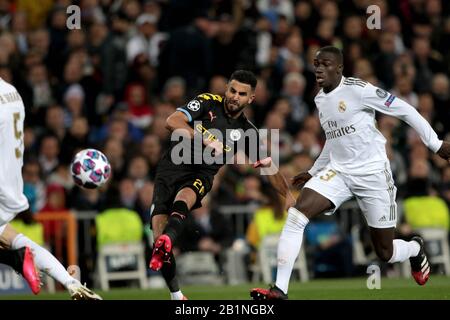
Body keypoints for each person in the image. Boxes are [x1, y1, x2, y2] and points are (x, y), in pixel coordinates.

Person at [250, 46, 450, 300]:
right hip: (340, 172)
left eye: (325, 64)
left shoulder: (359, 90)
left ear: (340, 68)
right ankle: (280, 290)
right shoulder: (320, 99)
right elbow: (334, 139)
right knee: (298, 214)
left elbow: (405, 109)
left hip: (373, 174)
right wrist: (313, 171)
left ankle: (414, 247)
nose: (318, 69)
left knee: (384, 252)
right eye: (315, 64)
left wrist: (435, 143)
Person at [149, 70, 294, 300]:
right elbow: (172, 121)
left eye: (242, 94)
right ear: (226, 89)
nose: (235, 96)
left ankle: (169, 240)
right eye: (232, 90)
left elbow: (269, 168)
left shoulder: (248, 132)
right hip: (172, 167)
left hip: (202, 173)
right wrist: (205, 138)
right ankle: (176, 294)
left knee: (186, 195)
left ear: (251, 99)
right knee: (158, 235)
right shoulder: (207, 102)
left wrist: (288, 197)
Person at [0, 77, 102, 300]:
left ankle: (15, 259)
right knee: (11, 237)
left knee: (12, 245)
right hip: (12, 188)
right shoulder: (12, 92)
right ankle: (71, 282)